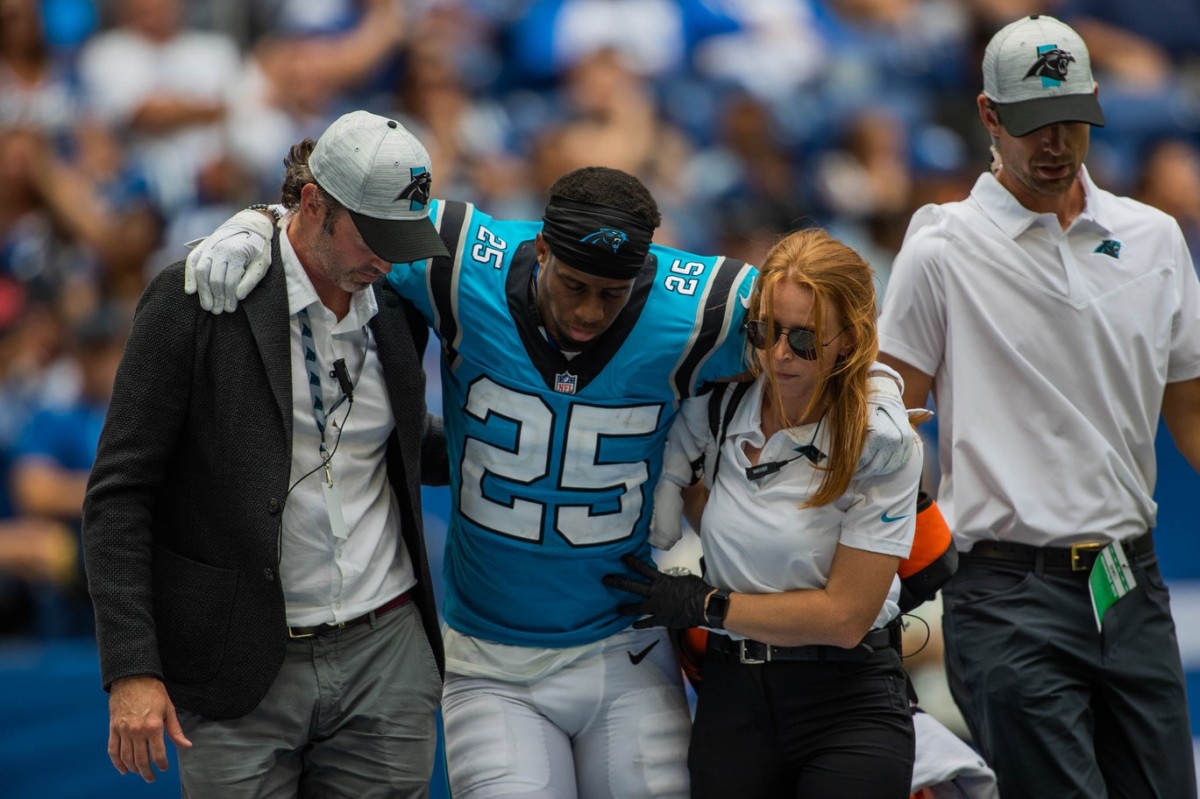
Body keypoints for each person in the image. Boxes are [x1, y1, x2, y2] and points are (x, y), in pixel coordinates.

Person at [184, 164, 917, 798]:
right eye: (574, 285)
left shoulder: (702, 306)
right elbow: (343, 204)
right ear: (537, 251)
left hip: (622, 649)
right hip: (490, 659)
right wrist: (262, 222)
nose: (591, 311)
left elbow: (822, 316)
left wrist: (875, 391)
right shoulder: (461, 257)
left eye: (614, 292)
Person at [877, 15, 1200, 798]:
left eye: (1070, 121)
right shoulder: (941, 247)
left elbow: (1190, 410)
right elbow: (887, 421)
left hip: (1130, 581)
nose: (1054, 142)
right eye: (1031, 124)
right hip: (1003, 591)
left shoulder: (1155, 238)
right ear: (989, 116)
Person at [81, 111, 449, 797]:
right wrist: (131, 667)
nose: (390, 259)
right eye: (375, 234)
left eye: (404, 238)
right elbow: (118, 495)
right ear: (313, 203)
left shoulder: (399, 299)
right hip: (237, 659)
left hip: (384, 649)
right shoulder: (197, 294)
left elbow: (388, 441)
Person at [606, 228, 921, 798]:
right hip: (734, 696)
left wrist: (706, 605)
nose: (779, 354)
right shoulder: (723, 406)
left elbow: (846, 617)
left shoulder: (881, 441)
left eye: (803, 339)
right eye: (766, 331)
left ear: (848, 341)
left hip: (846, 700)